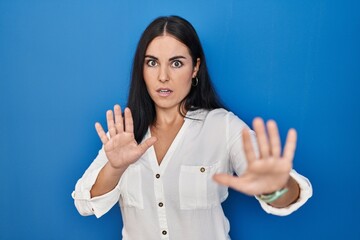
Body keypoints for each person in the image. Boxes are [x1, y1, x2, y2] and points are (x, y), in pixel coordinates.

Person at [72, 15, 312, 239]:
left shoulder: (222, 126)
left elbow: (288, 196)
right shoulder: (126, 134)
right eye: (152, 63)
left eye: (176, 63)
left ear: (195, 68)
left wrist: (275, 188)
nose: (163, 76)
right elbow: (85, 204)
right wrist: (116, 167)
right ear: (141, 69)